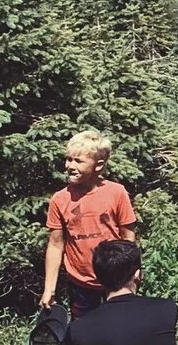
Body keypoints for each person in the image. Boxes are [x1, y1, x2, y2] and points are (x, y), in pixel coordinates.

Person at [41, 129, 138, 316]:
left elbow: (128, 238)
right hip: (80, 283)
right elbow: (55, 244)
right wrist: (49, 288)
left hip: (115, 280)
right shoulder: (60, 199)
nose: (70, 166)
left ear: (98, 165)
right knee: (84, 328)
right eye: (68, 159)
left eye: (78, 161)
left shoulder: (116, 193)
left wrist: (132, 274)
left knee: (118, 324)